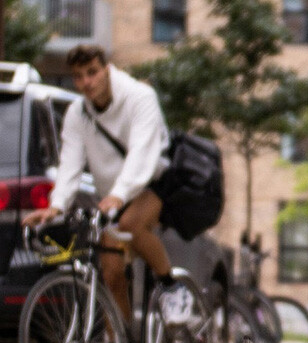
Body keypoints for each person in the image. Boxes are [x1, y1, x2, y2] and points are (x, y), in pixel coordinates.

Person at [22, 44, 190, 324]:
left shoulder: (140, 98)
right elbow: (70, 162)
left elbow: (142, 154)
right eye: (78, 76)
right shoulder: (78, 114)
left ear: (107, 70)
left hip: (153, 183)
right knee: (111, 273)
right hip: (113, 197)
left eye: (92, 72)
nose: (86, 82)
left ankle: (171, 286)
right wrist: (56, 205)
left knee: (131, 224)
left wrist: (120, 194)